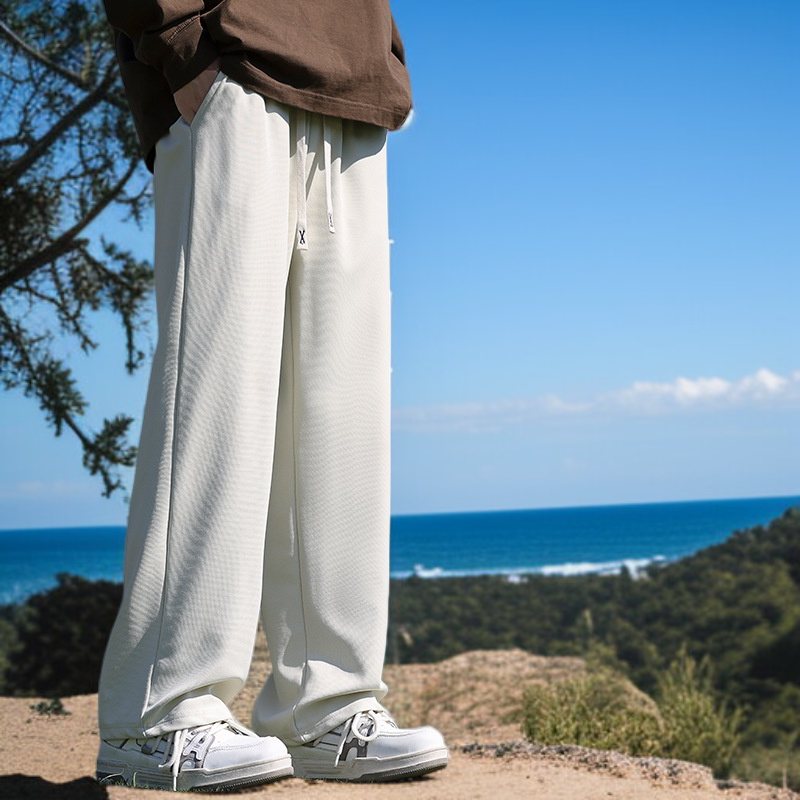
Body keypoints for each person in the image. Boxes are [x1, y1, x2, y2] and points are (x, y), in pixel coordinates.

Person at [94, 1, 448, 792]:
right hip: (229, 61)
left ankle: (326, 708)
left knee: (342, 414)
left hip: (355, 81)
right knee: (216, 388)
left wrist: (381, 55)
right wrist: (182, 37)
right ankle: (157, 713)